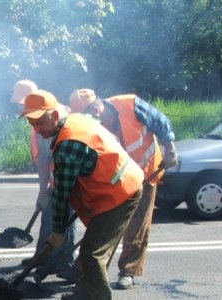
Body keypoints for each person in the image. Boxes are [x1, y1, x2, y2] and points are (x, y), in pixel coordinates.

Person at [21, 89, 144, 300]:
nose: (37, 129)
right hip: (117, 183)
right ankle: (84, 294)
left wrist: (57, 232)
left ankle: (98, 296)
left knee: (92, 253)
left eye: (40, 122)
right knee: (95, 251)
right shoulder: (75, 120)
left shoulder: (68, 146)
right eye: (32, 123)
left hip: (120, 192)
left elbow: (61, 195)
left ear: (55, 115)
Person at [68, 89, 179, 290]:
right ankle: (83, 268)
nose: (93, 115)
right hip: (117, 179)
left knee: (136, 226)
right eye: (87, 114)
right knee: (103, 223)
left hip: (146, 174)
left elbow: (160, 121)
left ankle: (128, 271)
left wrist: (170, 149)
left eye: (93, 110)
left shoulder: (130, 104)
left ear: (97, 103)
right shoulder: (90, 126)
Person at [10, 80, 80, 281]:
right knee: (49, 216)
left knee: (64, 218)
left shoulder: (46, 121)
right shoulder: (43, 117)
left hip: (67, 178)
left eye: (20, 103)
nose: (18, 107)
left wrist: (42, 191)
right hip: (56, 177)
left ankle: (64, 261)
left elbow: (43, 160)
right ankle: (42, 256)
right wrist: (45, 190)